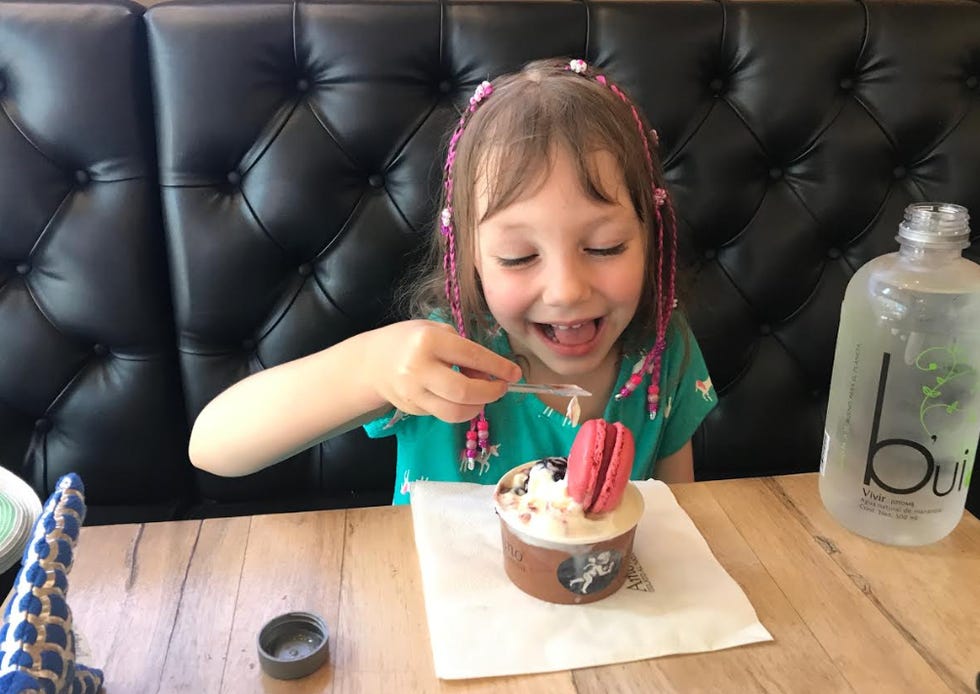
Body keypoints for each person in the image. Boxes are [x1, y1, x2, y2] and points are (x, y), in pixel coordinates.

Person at [189, 58, 717, 504]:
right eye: (518, 256)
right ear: (471, 256)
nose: (566, 291)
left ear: (652, 238)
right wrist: (370, 370)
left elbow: (680, 520)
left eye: (605, 247)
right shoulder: (440, 359)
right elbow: (212, 446)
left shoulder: (662, 353)